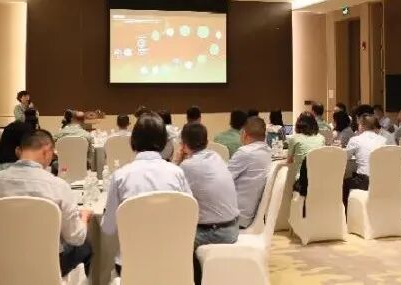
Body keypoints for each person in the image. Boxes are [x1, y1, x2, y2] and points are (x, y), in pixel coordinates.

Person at [0, 130, 93, 277]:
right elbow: (75, 237)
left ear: (18, 151)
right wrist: (84, 217)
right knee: (84, 247)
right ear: (47, 151)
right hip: (47, 265)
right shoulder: (58, 186)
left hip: (2, 264)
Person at [101, 115, 191, 276]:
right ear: (164, 141)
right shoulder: (177, 174)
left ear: (133, 140)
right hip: (171, 263)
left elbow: (108, 228)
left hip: (130, 265)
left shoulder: (120, 176)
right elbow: (189, 216)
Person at [173, 122, 239, 283]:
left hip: (213, 233)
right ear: (207, 141)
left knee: (174, 240)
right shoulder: (216, 157)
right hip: (232, 227)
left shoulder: (187, 166)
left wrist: (178, 161)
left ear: (183, 145)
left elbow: (173, 193)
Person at [228, 117, 273, 229]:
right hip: (250, 215)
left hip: (234, 217)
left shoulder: (245, 153)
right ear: (264, 135)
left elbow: (223, 181)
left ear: (244, 134)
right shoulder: (268, 152)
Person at [344, 114, 386, 202]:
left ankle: (349, 209)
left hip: (364, 181)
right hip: (382, 180)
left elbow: (345, 157)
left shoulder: (355, 140)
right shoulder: (383, 140)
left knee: (344, 183)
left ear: (361, 126)